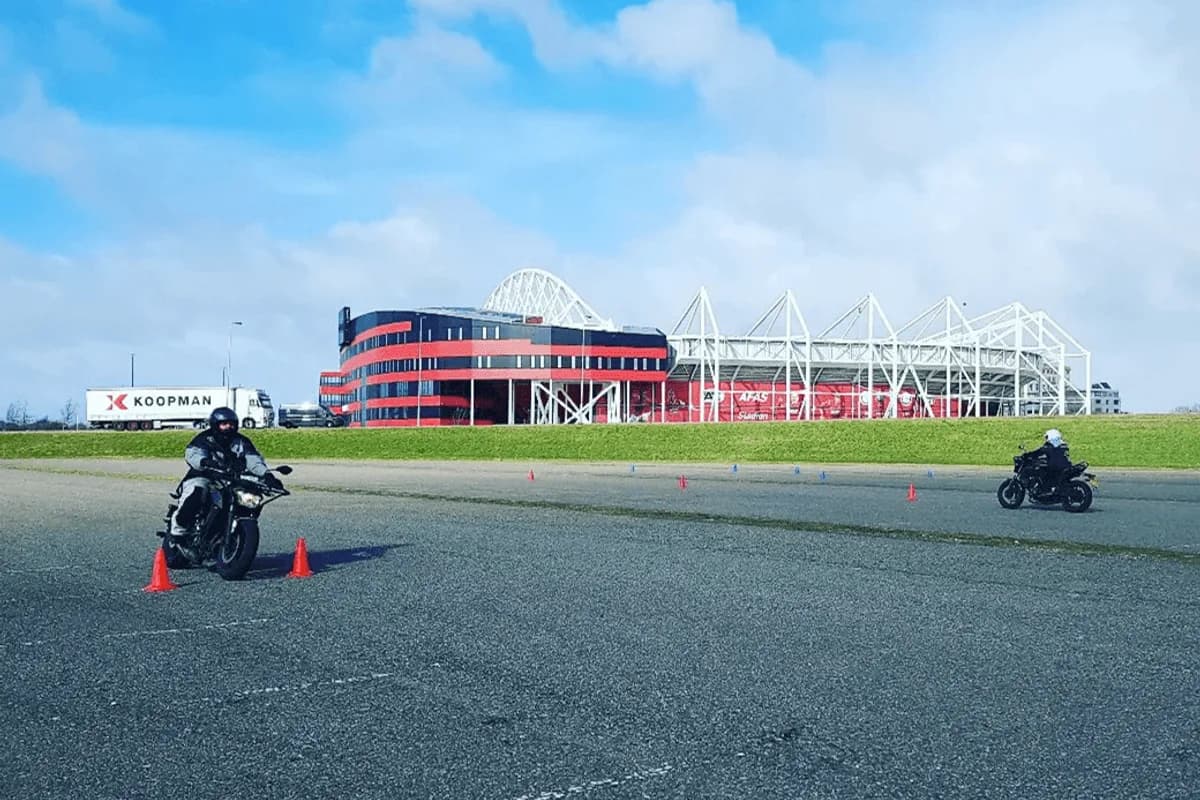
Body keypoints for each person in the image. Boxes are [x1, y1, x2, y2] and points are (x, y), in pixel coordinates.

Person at [168, 406, 281, 538]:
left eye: (231, 424)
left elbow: (252, 459)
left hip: (230, 479)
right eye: (224, 424)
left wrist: (266, 475)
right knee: (197, 492)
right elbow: (193, 453)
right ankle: (178, 531)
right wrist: (204, 461)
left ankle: (234, 527)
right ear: (215, 425)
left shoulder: (242, 441)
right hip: (204, 475)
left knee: (251, 494)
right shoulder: (204, 438)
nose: (228, 427)